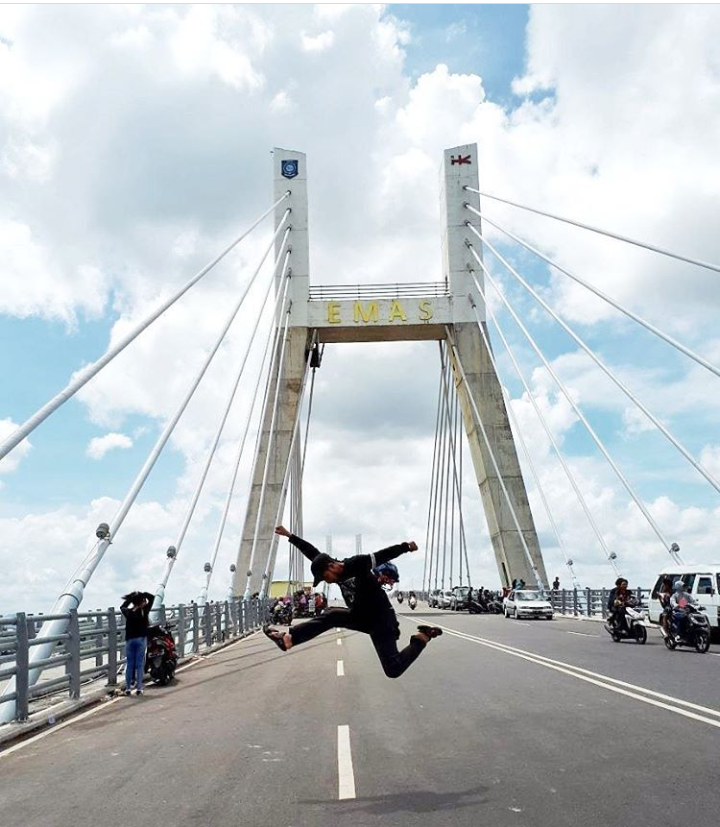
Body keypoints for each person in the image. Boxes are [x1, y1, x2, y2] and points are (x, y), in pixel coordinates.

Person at [264, 526, 442, 679]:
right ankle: (289, 638)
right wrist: (290, 536)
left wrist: (405, 547)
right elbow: (312, 553)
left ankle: (422, 638)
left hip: (381, 619)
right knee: (331, 615)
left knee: (393, 669)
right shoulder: (330, 568)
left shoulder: (357, 564)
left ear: (332, 566)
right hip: (360, 616)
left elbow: (382, 555)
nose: (327, 582)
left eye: (325, 577)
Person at [121, 591, 153, 696]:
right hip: (141, 640)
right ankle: (139, 688)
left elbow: (122, 606)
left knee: (130, 664)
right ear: (142, 602)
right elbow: (152, 598)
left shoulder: (128, 612)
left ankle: (128, 688)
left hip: (130, 640)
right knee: (139, 665)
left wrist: (131, 598)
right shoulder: (144, 611)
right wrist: (144, 594)